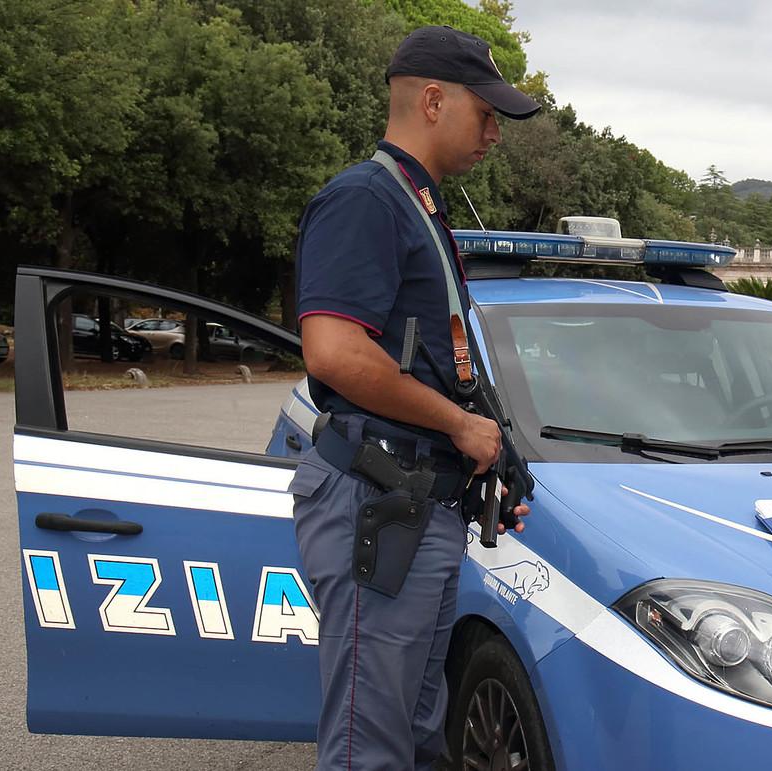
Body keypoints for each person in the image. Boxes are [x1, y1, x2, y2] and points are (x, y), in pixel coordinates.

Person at [290, 26, 539, 770]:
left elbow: (434, 363)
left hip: (413, 510)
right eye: (486, 112)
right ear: (432, 101)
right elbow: (333, 352)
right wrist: (460, 426)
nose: (495, 131)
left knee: (413, 732)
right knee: (371, 744)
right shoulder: (366, 198)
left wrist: (483, 458)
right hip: (379, 507)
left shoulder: (416, 204)